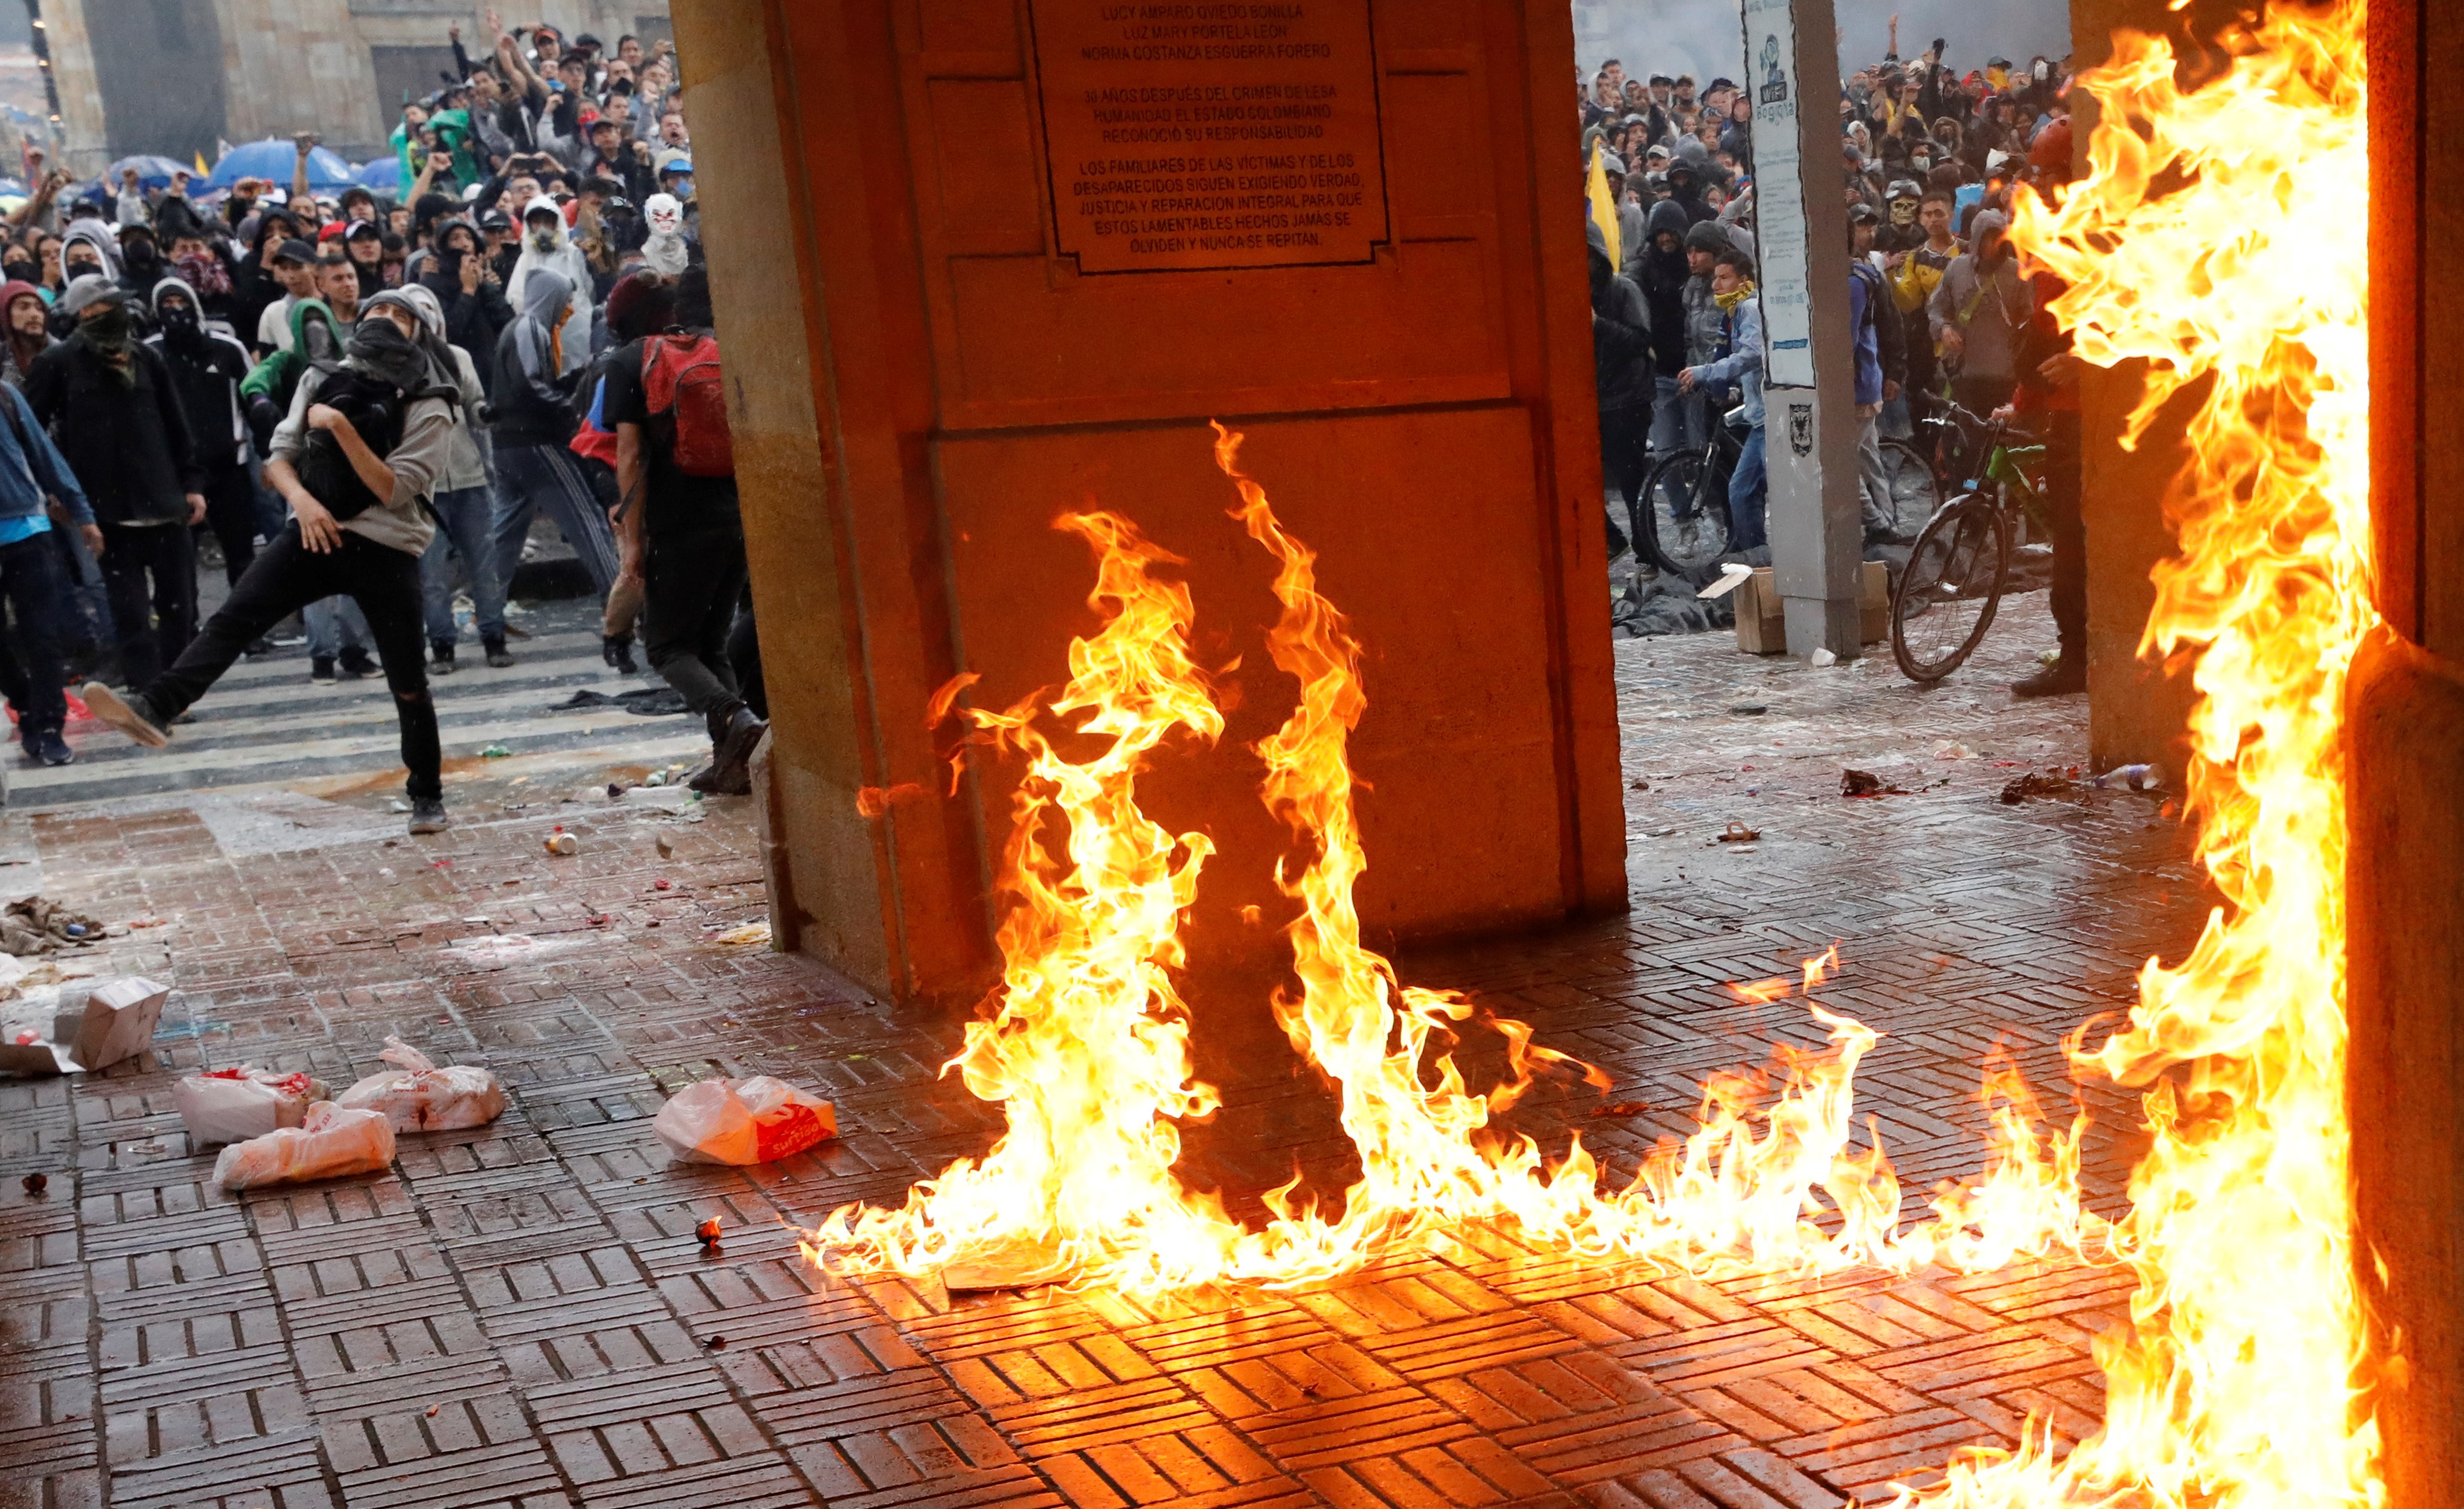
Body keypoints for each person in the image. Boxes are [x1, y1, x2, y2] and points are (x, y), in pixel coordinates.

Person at [83, 301, 461, 836]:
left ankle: (427, 795)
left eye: (399, 317)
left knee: (408, 682)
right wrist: (303, 504)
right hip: (311, 530)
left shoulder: (432, 402)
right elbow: (279, 454)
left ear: (421, 332)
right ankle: (156, 705)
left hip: (386, 545)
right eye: (376, 309)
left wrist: (339, 428)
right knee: (234, 617)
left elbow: (396, 489)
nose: (383, 319)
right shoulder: (323, 376)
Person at [605, 269, 765, 792]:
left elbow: (629, 458)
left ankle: (736, 720)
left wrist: (632, 545)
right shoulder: (718, 348)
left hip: (679, 526)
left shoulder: (628, 363)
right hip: (733, 515)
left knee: (668, 647)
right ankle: (732, 763)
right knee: (711, 642)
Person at [25, 277, 206, 691]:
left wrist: (192, 484)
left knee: (180, 605)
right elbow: (30, 434)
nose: (117, 313)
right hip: (106, 509)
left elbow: (177, 426)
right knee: (131, 612)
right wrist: (52, 491)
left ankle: (174, 690)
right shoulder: (59, 362)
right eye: (107, 306)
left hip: (165, 500)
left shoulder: (146, 358)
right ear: (86, 313)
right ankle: (145, 689)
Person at [488, 267, 629, 670]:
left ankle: (490, 617)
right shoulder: (530, 328)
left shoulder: (517, 329)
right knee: (588, 522)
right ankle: (619, 608)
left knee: (505, 536)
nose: (568, 308)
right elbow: (532, 385)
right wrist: (567, 409)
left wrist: (569, 382)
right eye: (564, 299)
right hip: (538, 442)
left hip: (508, 445)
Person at [391, 285, 504, 674]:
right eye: (415, 313)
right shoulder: (395, 364)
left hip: (469, 476)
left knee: (484, 565)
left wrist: (486, 412)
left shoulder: (458, 357)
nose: (426, 319)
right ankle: (442, 645)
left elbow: (473, 404)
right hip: (425, 487)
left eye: (430, 310)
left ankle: (494, 636)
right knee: (432, 574)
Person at [0, 362, 96, 765]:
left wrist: (82, 513)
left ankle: (51, 724)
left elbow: (44, 455)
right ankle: (25, 704)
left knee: (42, 633)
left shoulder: (5, 396)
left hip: (26, 529)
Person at [146, 278, 259, 587]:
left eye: (180, 302)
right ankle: (188, 629)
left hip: (227, 468)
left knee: (241, 554)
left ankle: (245, 628)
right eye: (166, 305)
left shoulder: (228, 349)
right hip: (175, 474)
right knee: (179, 560)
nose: (175, 311)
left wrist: (268, 455)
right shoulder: (149, 354)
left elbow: (255, 400)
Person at [1677, 245, 1765, 552]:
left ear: (1743, 281)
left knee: (1742, 490)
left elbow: (1752, 355)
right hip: (1759, 415)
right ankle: (1755, 555)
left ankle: (1756, 557)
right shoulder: (1737, 310)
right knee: (1744, 490)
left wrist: (1706, 373)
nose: (1716, 285)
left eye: (1724, 278)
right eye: (1716, 278)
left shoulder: (1749, 309)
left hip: (1768, 420)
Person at [1586, 218, 1654, 565]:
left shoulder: (1623, 290)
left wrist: (1600, 326)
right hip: (1593, 400)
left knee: (1632, 481)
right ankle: (1612, 538)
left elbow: (1640, 340)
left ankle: (1648, 553)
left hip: (1628, 400)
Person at [1929, 208, 2033, 417]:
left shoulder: (2019, 273)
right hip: (1964, 372)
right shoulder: (1957, 268)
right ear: (1976, 239)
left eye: (1998, 238)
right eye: (1987, 238)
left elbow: (2031, 320)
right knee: (1966, 436)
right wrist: (1944, 329)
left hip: (2005, 374)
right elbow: (1936, 308)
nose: (1992, 244)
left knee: (2000, 438)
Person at [1, 280, 52, 387]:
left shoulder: (61, 356)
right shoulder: (3, 357)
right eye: (24, 307)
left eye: (39, 309)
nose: (35, 315)